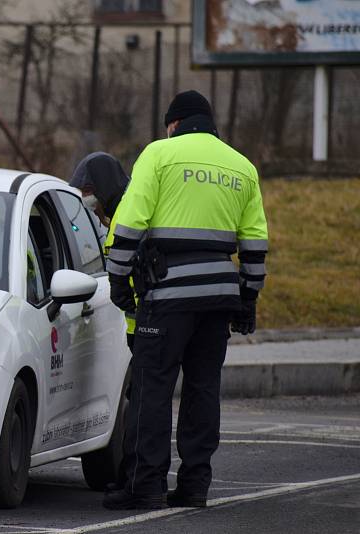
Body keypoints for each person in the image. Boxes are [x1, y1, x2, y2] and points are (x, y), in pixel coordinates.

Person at [102, 91, 268, 510]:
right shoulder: (242, 167)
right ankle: (195, 486)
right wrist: (247, 299)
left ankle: (147, 486)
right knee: (202, 391)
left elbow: (130, 222)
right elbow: (255, 244)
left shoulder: (159, 155)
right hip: (219, 296)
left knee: (152, 390)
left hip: (169, 292)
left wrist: (118, 280)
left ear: (173, 124)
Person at [69, 152, 135, 349]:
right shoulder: (118, 215)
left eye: (88, 190)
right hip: (139, 323)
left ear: (104, 186)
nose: (86, 198)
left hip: (147, 322)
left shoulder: (130, 216)